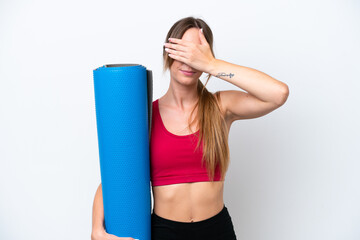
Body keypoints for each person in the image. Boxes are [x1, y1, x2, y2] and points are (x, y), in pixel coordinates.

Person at [91, 16, 289, 240]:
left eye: (196, 54)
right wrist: (97, 230)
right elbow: (116, 175)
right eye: (182, 51)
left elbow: (278, 94)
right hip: (165, 232)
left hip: (217, 231)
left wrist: (212, 65)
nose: (189, 62)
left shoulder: (220, 107)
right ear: (168, 52)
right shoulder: (146, 116)